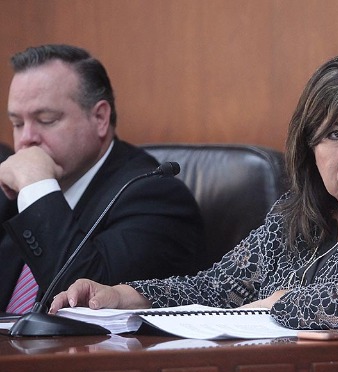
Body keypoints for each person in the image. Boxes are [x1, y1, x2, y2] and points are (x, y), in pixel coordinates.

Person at [51, 53, 338, 372]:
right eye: (334, 134)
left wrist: (274, 305)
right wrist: (126, 295)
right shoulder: (296, 215)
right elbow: (217, 288)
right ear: (311, 147)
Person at [0, 44, 206, 314]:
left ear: (100, 118)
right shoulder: (13, 188)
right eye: (17, 124)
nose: (26, 139)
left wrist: (38, 188)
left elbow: (87, 303)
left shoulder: (154, 196)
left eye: (46, 119)